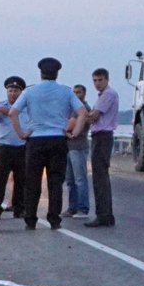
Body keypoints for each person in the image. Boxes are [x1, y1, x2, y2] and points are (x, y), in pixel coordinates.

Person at [9, 57, 86, 230]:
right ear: (57, 73)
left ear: (41, 73)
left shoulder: (30, 92)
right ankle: (54, 218)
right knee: (55, 181)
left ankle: (30, 218)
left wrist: (21, 133)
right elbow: (82, 112)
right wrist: (74, 133)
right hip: (58, 139)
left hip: (36, 139)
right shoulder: (66, 92)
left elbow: (13, 113)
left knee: (32, 181)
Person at [0, 76, 27, 219]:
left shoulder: (26, 106)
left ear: (21, 92)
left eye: (16, 91)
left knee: (21, 180)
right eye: (10, 90)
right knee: (0, 180)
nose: (12, 93)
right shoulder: (0, 105)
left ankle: (19, 208)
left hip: (22, 147)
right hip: (4, 147)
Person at [85, 68, 118, 227]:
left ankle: (103, 215)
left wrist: (84, 117)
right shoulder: (102, 96)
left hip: (103, 136)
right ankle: (105, 214)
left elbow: (93, 116)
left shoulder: (108, 95)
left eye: (100, 80)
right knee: (100, 176)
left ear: (107, 79)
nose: (97, 83)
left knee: (100, 178)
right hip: (100, 136)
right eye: (95, 80)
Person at [64, 84, 91, 216]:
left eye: (78, 92)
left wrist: (64, 127)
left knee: (80, 179)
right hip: (68, 147)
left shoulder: (82, 108)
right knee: (70, 180)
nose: (75, 95)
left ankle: (83, 208)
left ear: (84, 94)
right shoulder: (71, 109)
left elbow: (68, 125)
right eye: (74, 92)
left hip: (78, 147)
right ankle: (72, 207)